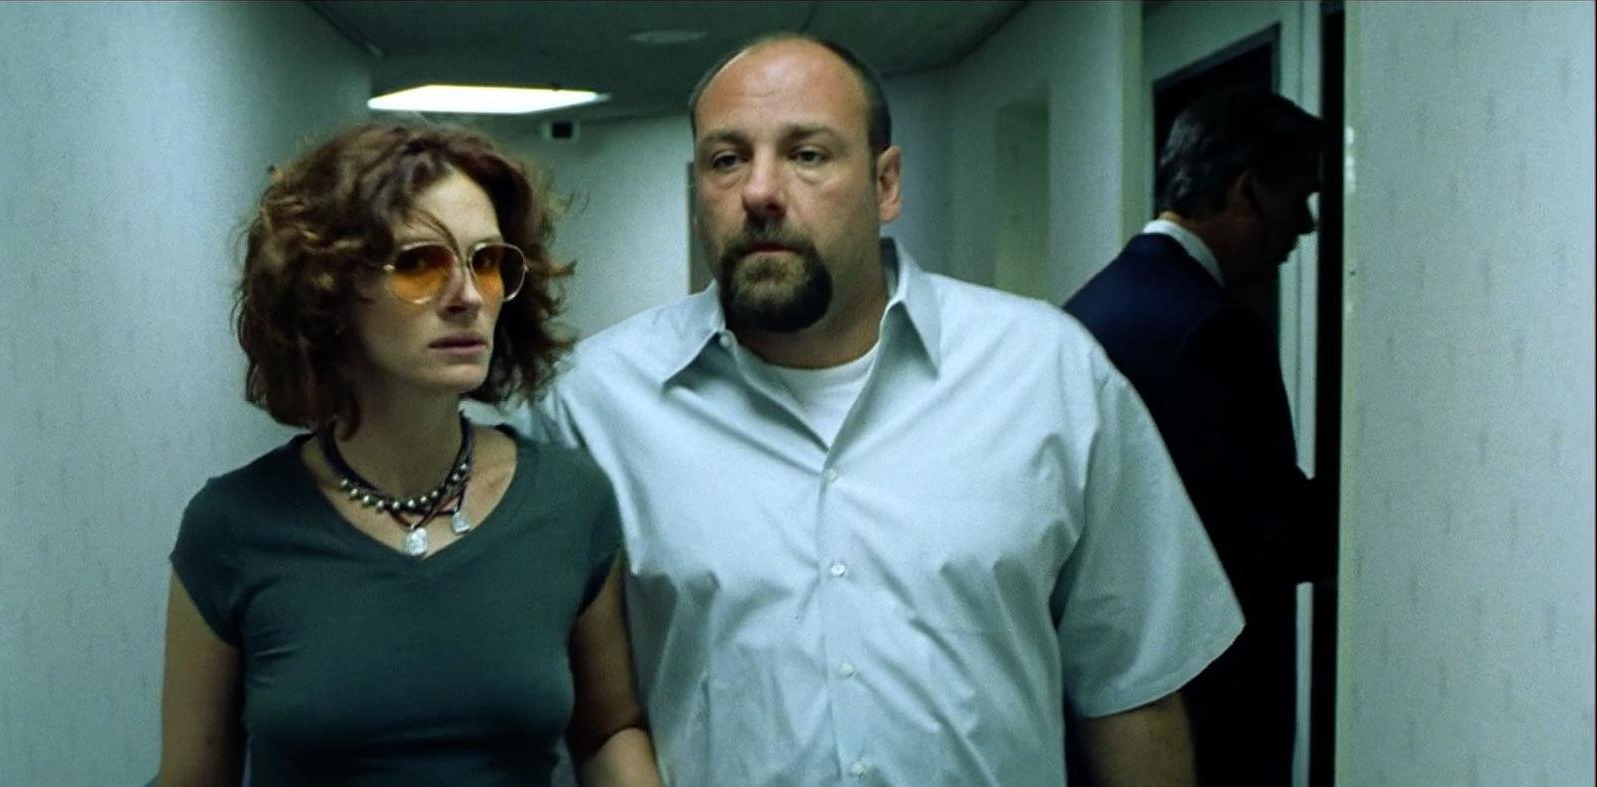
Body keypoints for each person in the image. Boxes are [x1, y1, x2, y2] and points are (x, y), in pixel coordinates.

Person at [512, 33, 1243, 786]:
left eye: (807, 154)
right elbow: (568, 716)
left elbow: (1133, 689)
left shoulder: (1048, 374)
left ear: (885, 184)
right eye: (726, 160)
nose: (759, 191)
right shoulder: (592, 408)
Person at [158, 122, 661, 787]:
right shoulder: (234, 524)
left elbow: (607, 732)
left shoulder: (568, 499)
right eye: (421, 264)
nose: (467, 297)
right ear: (329, 292)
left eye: (486, 262)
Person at [1063, 86, 1334, 786]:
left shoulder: (1081, 312)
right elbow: (1272, 535)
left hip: (1100, 694)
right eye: (1299, 197)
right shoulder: (1217, 329)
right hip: (1208, 712)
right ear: (1246, 192)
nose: (1306, 225)